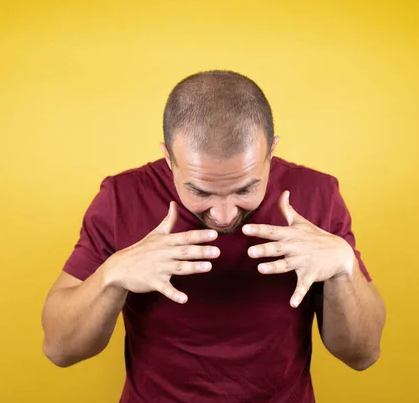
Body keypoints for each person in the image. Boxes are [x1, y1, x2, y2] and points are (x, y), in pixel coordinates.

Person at [41, 70, 386, 403]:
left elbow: (363, 354)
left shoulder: (317, 195)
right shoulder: (121, 198)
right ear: (169, 159)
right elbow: (59, 348)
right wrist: (112, 275)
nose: (224, 215)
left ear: (270, 154)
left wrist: (344, 267)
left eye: (246, 189)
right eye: (200, 191)